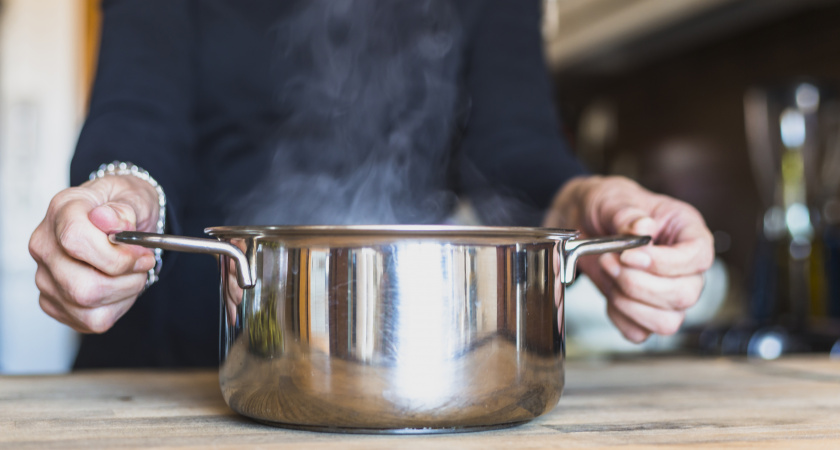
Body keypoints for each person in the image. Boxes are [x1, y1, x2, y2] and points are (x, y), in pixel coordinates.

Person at [28, 0, 713, 368]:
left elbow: (515, 147)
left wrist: (586, 204)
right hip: (161, 368)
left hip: (396, 368)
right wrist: (119, 196)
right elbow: (136, 113)